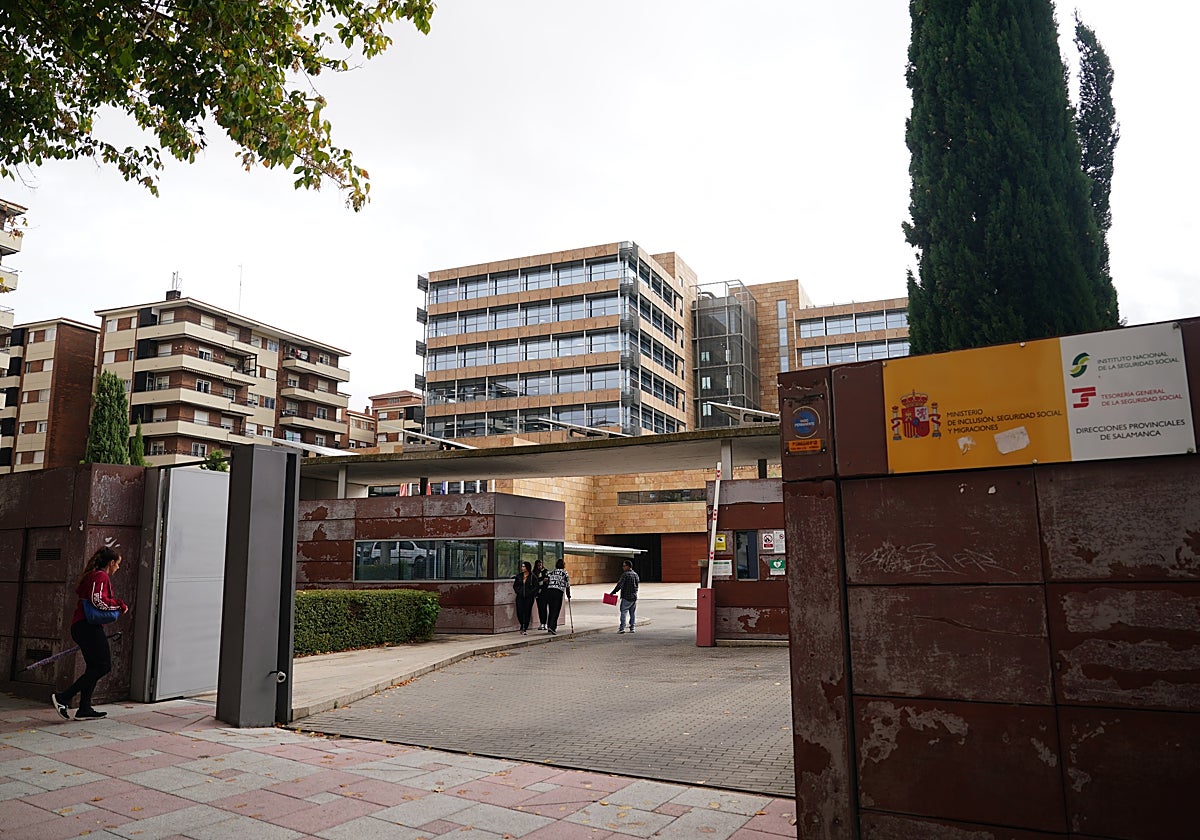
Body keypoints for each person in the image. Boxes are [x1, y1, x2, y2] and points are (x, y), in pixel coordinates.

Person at [52, 547, 129, 721]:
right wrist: (119, 604)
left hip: (83, 626)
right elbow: (97, 600)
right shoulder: (101, 576)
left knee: (94, 667)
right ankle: (63, 697)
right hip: (87, 627)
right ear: (111, 563)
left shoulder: (93, 575)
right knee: (103, 666)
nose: (118, 567)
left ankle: (84, 708)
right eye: (118, 564)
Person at [610, 559, 640, 634]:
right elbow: (637, 585)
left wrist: (613, 592)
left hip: (626, 597)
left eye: (624, 566)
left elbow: (620, 584)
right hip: (634, 597)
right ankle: (632, 628)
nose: (623, 567)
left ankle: (622, 628)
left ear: (628, 566)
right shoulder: (635, 574)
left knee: (623, 612)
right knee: (632, 613)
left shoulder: (625, 575)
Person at [544, 559, 571, 635]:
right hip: (558, 592)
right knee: (556, 610)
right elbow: (567, 585)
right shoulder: (564, 573)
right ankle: (552, 627)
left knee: (551, 609)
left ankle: (549, 626)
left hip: (549, 591)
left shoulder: (552, 572)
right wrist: (568, 595)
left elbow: (547, 580)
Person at [512, 561, 538, 635]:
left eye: (524, 566)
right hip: (520, 596)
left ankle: (524, 627)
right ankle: (522, 623)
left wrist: (530, 593)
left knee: (527, 611)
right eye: (522, 566)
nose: (522, 568)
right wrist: (518, 591)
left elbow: (536, 586)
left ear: (527, 567)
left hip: (529, 597)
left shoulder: (532, 576)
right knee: (519, 611)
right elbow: (515, 585)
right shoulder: (519, 576)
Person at [532, 558, 550, 629]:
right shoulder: (534, 573)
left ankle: (545, 623)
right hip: (538, 593)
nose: (539, 567)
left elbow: (548, 579)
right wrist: (542, 581)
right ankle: (542, 622)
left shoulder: (545, 571)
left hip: (545, 592)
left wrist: (545, 581)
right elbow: (535, 582)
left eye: (540, 565)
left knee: (544, 608)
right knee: (540, 608)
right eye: (538, 565)